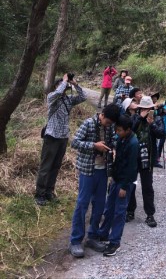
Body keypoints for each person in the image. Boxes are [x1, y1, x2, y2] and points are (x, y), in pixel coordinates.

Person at [69, 104, 120, 258]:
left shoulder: (110, 127)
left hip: (103, 171)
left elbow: (113, 141)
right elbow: (74, 142)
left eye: (111, 124)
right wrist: (93, 145)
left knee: (99, 205)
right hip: (87, 170)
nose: (109, 125)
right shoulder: (88, 123)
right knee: (82, 204)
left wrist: (114, 149)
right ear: (102, 115)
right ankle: (75, 241)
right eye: (108, 122)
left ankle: (93, 236)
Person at [35, 74, 87, 206]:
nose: (63, 88)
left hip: (63, 137)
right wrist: (63, 81)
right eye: (61, 85)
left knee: (56, 166)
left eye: (64, 85)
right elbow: (57, 92)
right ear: (57, 86)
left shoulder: (68, 100)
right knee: (46, 166)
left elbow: (83, 97)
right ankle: (39, 194)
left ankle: (49, 191)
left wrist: (75, 84)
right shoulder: (52, 98)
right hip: (51, 136)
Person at [98, 115, 138, 257]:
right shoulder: (121, 139)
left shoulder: (133, 143)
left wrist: (125, 187)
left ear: (128, 130)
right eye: (116, 130)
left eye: (120, 130)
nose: (117, 132)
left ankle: (115, 242)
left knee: (119, 212)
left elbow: (132, 168)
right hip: (116, 178)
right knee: (109, 208)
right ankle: (103, 234)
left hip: (125, 182)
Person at [126, 95, 164, 226]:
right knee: (131, 184)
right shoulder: (134, 117)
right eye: (144, 108)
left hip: (147, 159)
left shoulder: (157, 118)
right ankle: (130, 210)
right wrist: (140, 118)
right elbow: (128, 131)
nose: (146, 110)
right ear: (140, 107)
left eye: (149, 108)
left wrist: (152, 123)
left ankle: (150, 214)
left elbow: (162, 133)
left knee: (147, 187)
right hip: (133, 158)